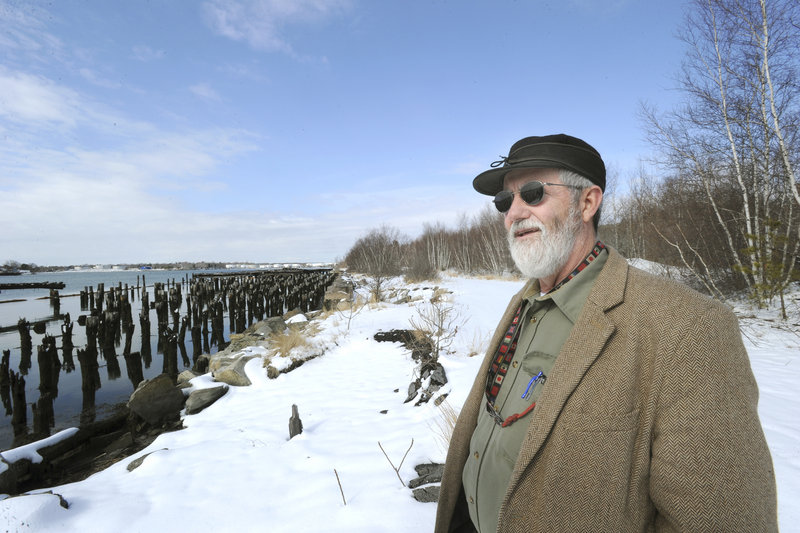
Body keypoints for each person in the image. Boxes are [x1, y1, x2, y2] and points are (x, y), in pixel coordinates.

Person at [434, 134, 778, 533]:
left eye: (532, 193)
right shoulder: (523, 303)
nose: (514, 212)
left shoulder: (689, 328)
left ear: (587, 202)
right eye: (504, 201)